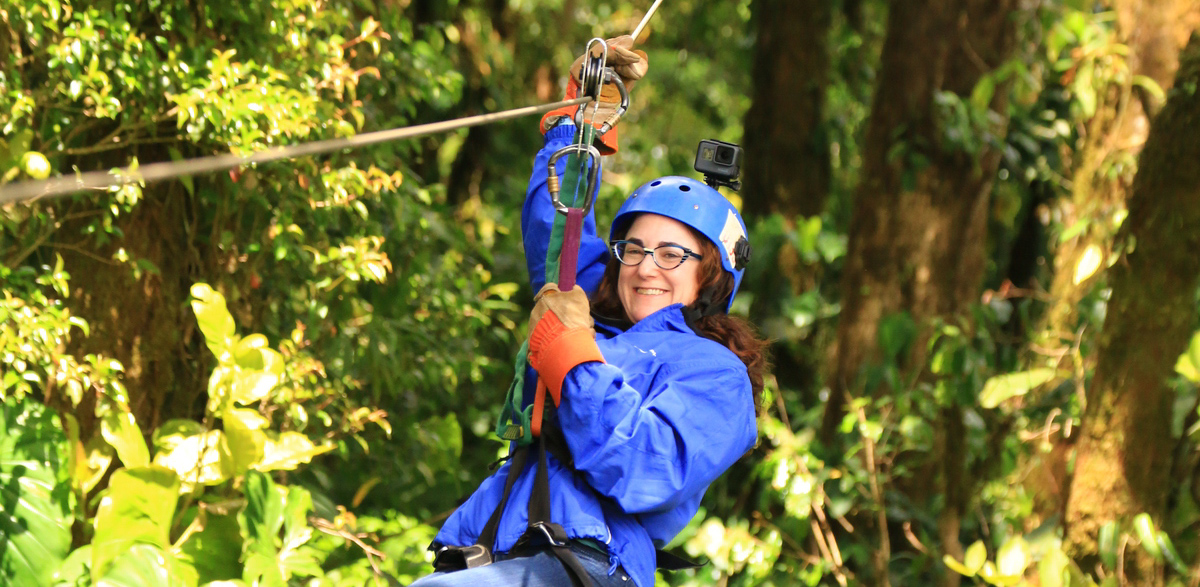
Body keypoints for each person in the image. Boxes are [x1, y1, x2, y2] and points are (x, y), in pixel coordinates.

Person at [410, 36, 767, 587]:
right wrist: (580, 125)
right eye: (634, 249)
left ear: (712, 275)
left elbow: (645, 465)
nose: (646, 267)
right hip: (505, 551)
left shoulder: (716, 373)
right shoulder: (595, 321)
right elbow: (561, 232)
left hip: (588, 566)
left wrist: (575, 360)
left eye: (672, 254)